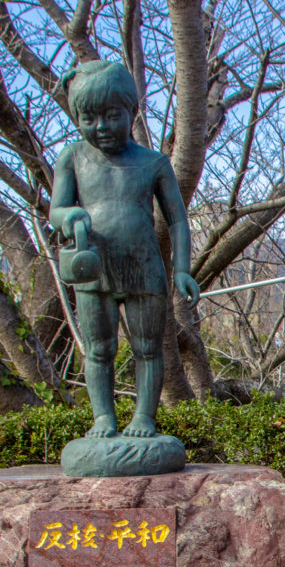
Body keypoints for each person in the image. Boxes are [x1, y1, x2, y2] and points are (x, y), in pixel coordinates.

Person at [50, 60, 199, 440]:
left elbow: (178, 219)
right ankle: (103, 418)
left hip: (144, 265)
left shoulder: (153, 162)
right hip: (92, 265)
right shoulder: (72, 158)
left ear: (131, 111)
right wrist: (70, 218)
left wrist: (182, 268)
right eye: (89, 118)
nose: (101, 127)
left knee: (148, 347)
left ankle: (144, 418)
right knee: (99, 349)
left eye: (111, 116)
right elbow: (56, 210)